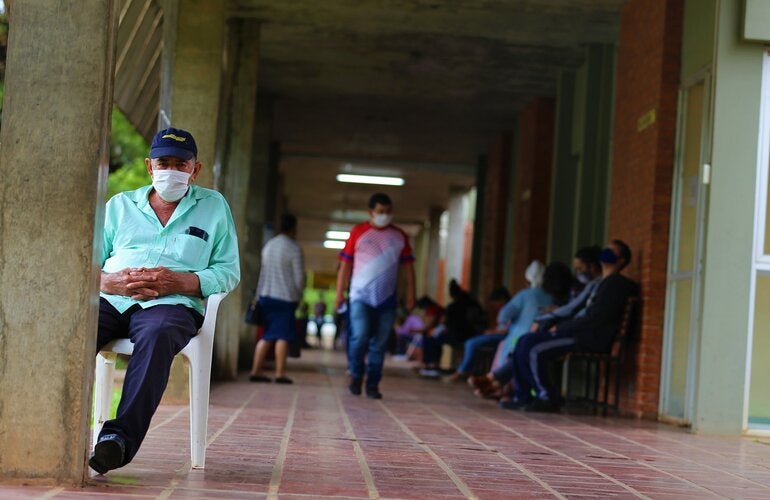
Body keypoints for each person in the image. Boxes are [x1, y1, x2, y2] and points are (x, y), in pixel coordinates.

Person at [91, 127, 240, 474]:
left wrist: (180, 281)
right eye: (163, 162)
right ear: (149, 165)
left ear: (195, 169)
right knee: (73, 327)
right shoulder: (120, 205)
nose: (170, 170)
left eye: (180, 164)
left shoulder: (213, 207)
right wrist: (109, 281)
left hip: (171, 304)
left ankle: (118, 440)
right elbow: (88, 260)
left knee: (159, 335)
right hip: (112, 296)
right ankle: (48, 424)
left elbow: (228, 270)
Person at [496, 240, 639, 412]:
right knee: (523, 341)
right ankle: (523, 396)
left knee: (533, 348)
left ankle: (547, 397)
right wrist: (551, 320)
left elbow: (595, 317)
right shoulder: (599, 283)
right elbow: (575, 309)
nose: (605, 252)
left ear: (621, 260)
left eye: (611, 251)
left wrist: (563, 327)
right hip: (577, 332)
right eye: (605, 249)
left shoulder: (617, 284)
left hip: (587, 337)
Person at [335, 192, 416, 399]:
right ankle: (355, 374)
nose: (384, 216)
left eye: (388, 212)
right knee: (359, 336)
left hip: (387, 299)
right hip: (359, 297)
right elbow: (345, 265)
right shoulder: (358, 232)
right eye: (380, 212)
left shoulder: (399, 236)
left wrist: (411, 295)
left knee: (379, 344)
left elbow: (408, 268)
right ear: (370, 212)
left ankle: (373, 384)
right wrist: (339, 294)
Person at [452, 261, 571, 382]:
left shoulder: (525, 295)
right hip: (541, 337)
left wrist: (509, 323)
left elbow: (503, 316)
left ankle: (496, 382)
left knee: (507, 350)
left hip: (519, 337)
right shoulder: (554, 297)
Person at [249, 213, 306, 384]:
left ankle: (256, 370)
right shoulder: (294, 248)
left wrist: (259, 295)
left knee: (267, 335)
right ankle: (280, 374)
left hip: (266, 296)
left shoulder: (269, 246)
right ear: (294, 228)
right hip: (285, 298)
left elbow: (263, 273)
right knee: (283, 336)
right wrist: (299, 295)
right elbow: (299, 278)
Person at [420, 279, 484, 378]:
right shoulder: (474, 304)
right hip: (473, 334)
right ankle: (432, 365)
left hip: (460, 335)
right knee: (435, 336)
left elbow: (444, 324)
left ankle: (432, 365)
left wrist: (435, 331)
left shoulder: (453, 307)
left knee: (431, 337)